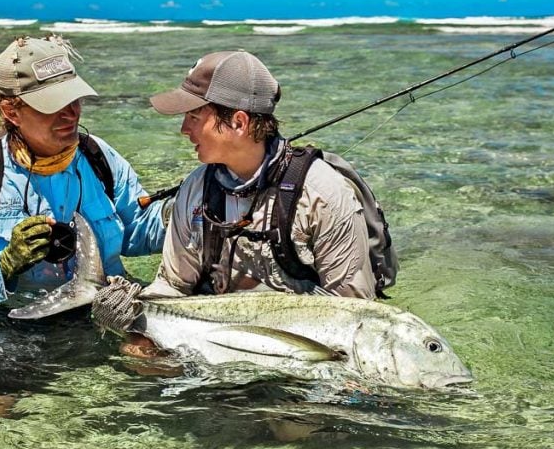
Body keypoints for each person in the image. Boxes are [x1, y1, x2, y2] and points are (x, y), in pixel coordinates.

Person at [0, 35, 167, 305]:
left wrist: (187, 209)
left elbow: (139, 232)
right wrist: (4, 264)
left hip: (102, 310)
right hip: (10, 326)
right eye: (53, 104)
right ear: (11, 111)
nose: (71, 113)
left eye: (74, 98)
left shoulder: (98, 156)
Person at [143, 50, 378, 299]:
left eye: (193, 117)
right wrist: (139, 318)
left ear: (239, 122)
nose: (184, 129)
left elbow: (354, 313)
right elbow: (172, 287)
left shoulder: (324, 193)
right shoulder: (195, 188)